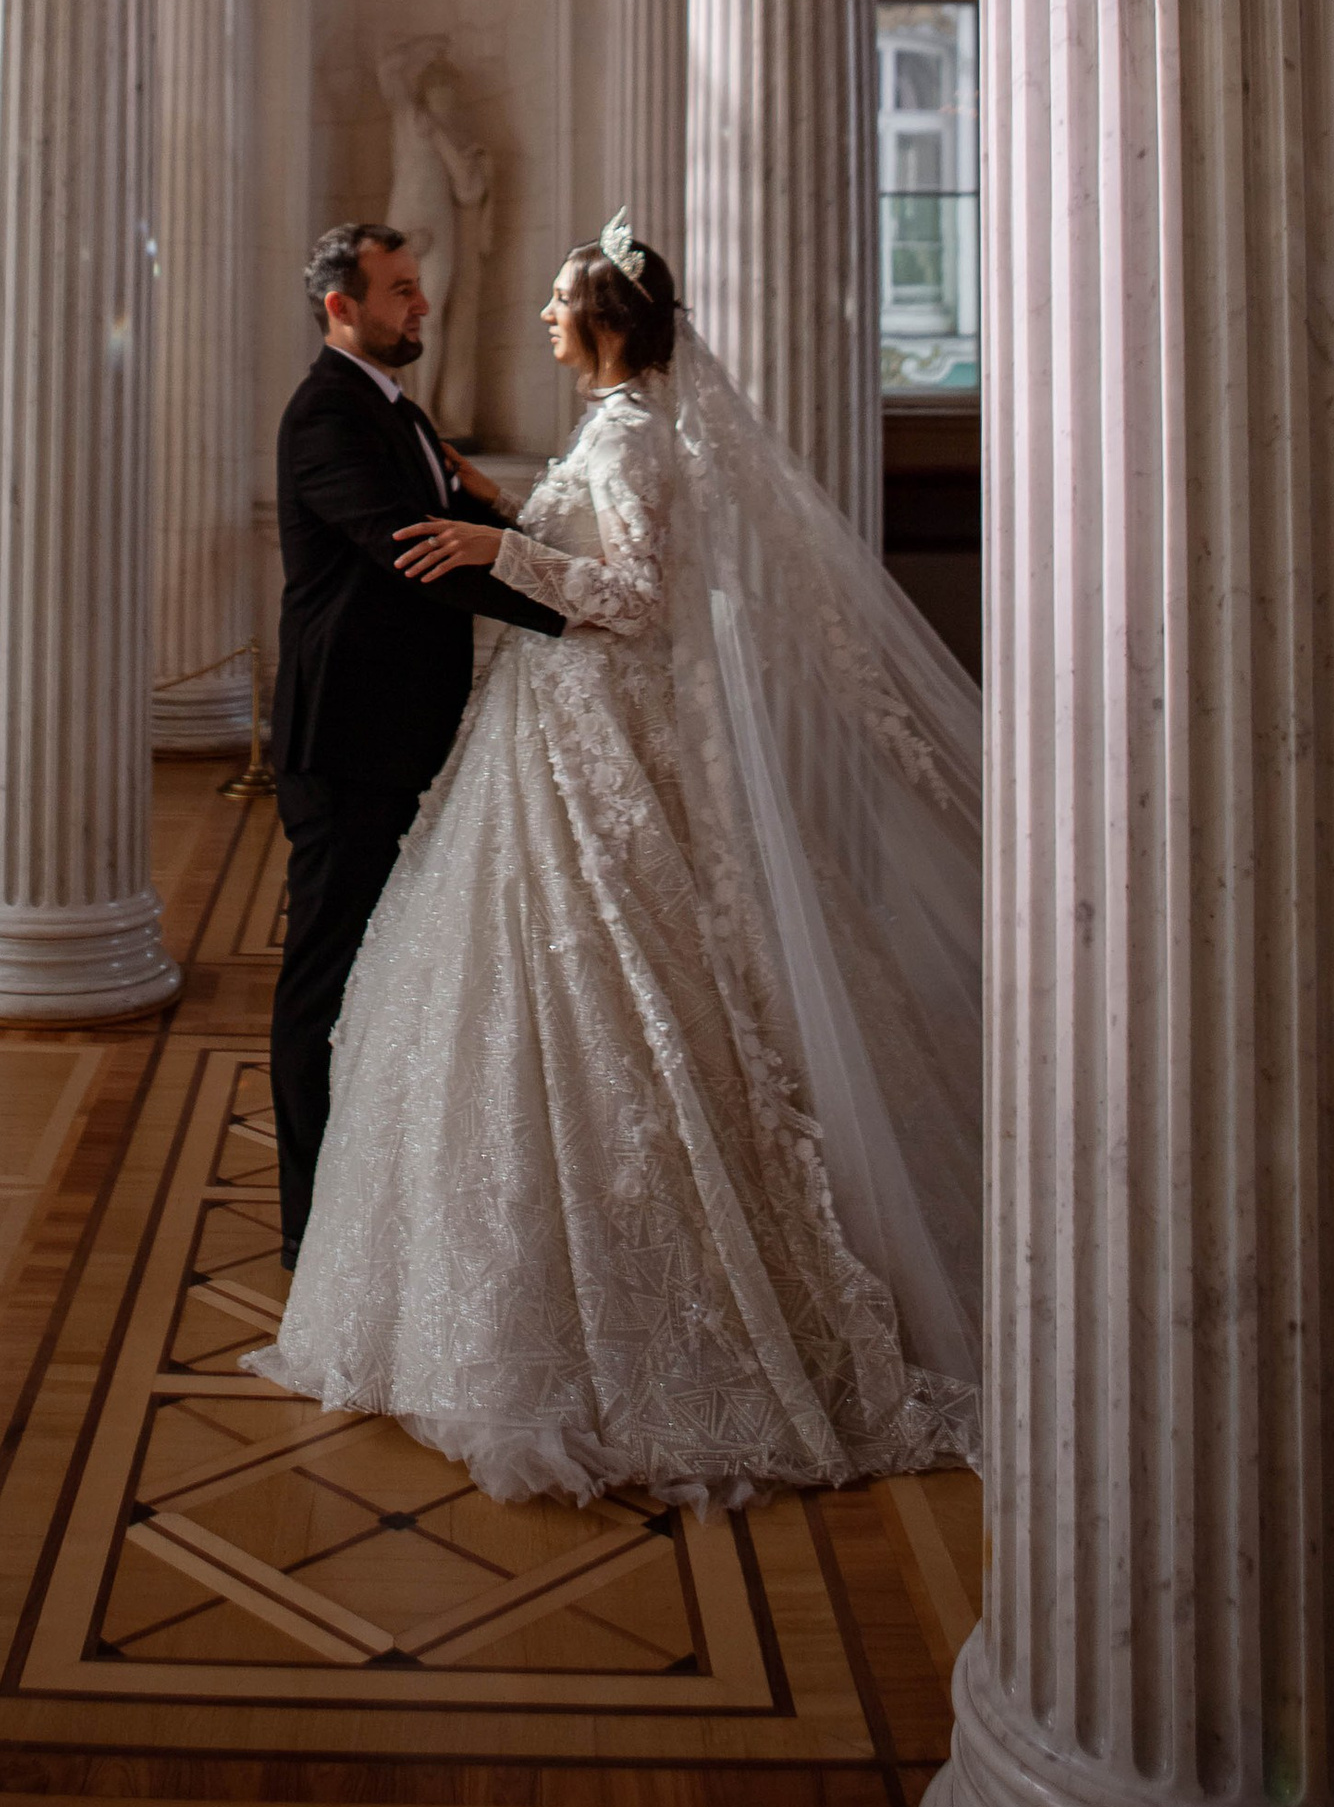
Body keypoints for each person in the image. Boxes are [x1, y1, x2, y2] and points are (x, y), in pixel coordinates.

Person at [251, 213, 985, 1508]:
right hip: (470, 730)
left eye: (553, 302)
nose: (524, 314)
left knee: (595, 974)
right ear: (346, 305)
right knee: (427, 981)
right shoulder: (572, 423)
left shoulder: (636, 432)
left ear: (601, 325)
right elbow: (532, 552)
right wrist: (497, 514)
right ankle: (350, 1239)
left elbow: (633, 592)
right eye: (407, 289)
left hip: (569, 725)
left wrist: (497, 543)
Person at [267, 222, 567, 1269]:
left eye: (417, 286)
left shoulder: (390, 406)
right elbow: (418, 555)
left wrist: (493, 505)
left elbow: (452, 522)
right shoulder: (326, 416)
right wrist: (581, 609)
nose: (421, 305)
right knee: (326, 976)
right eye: (399, 290)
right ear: (340, 305)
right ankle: (309, 1227)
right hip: (347, 740)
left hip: (401, 730)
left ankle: (370, 1197)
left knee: (384, 970)